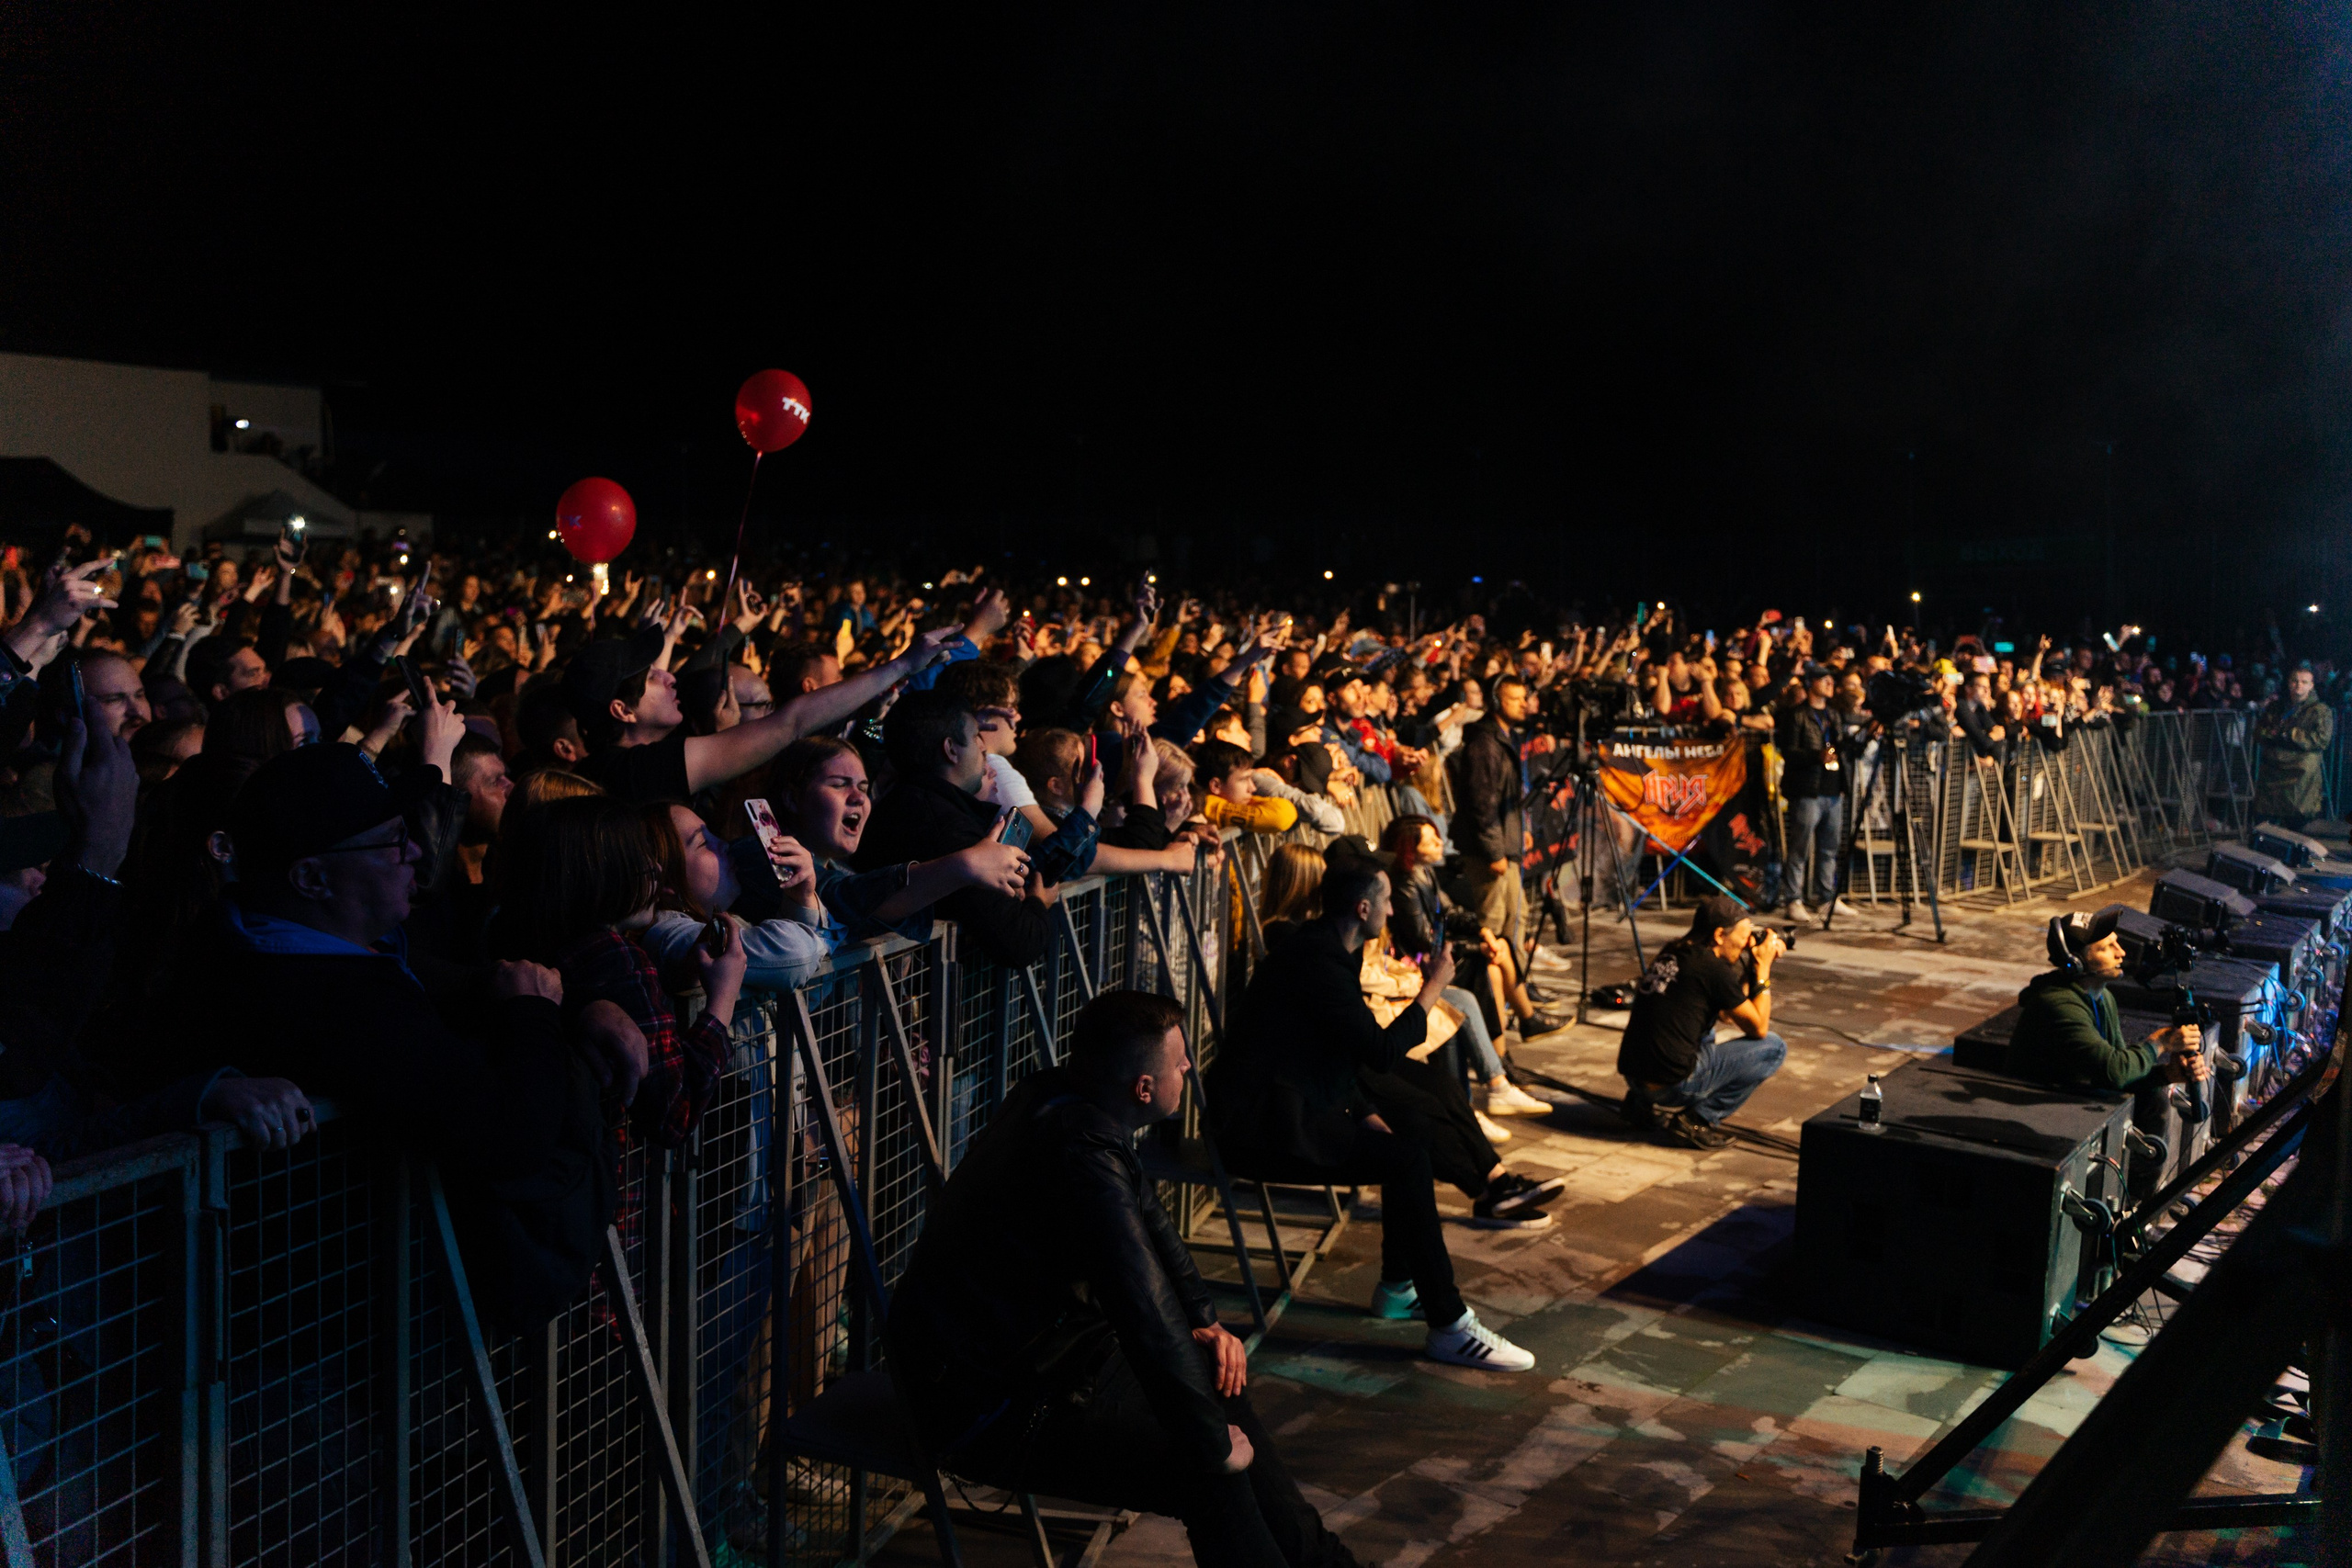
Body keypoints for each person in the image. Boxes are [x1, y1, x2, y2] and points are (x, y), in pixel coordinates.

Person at [890, 989, 1364, 1568]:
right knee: (1208, 1470)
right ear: (1144, 1088)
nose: (1189, 1066)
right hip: (986, 1403)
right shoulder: (1082, 1152)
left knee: (1221, 1391)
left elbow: (1154, 1228)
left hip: (1050, 1357)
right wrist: (1211, 1445)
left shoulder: (1067, 1101)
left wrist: (1208, 1323)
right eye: (1179, 1060)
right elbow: (1144, 1306)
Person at [1209, 854, 1541, 1371]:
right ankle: (1450, 1325)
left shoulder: (1326, 949)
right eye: (1386, 901)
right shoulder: (1317, 960)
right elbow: (1379, 1052)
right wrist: (1433, 987)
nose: (1390, 910)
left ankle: (1397, 1286)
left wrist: (1363, 1111)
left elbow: (1334, 1052)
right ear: (1364, 908)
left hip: (1292, 1103)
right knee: (1405, 1158)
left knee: (1410, 1130)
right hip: (1262, 1127)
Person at [561, 619, 961, 804]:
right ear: (622, 711)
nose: (669, 677)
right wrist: (901, 665)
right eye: (650, 678)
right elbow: (791, 723)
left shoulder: (630, 762)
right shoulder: (627, 770)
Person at [1614, 895, 1789, 1150]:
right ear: (1719, 935)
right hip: (1673, 1086)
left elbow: (1727, 1013)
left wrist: (1750, 967)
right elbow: (1758, 1027)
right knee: (1773, 1048)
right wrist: (1763, 969)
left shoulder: (1673, 951)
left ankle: (1639, 1105)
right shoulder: (1712, 970)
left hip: (1634, 1077)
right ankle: (1697, 1120)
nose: (1745, 945)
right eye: (1742, 938)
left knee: (1700, 1027)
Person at [2007, 910, 2209, 1091]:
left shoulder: (2103, 996)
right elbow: (2114, 1072)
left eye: (2117, 942)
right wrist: (2161, 1042)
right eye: (2106, 947)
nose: (2121, 953)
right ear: (2076, 963)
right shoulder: (2058, 1005)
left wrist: (2166, 1075)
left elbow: (2120, 1074)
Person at [1445, 674, 1532, 959]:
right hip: (1488, 853)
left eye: (1524, 698)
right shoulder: (1485, 744)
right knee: (1493, 924)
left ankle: (1514, 985)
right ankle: (1493, 993)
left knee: (1516, 918)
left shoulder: (1503, 737)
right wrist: (1494, 852)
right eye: (1514, 699)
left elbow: (1507, 798)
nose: (1523, 705)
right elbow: (1481, 805)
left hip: (1504, 845)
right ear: (1496, 702)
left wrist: (1520, 832)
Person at [1777, 663, 1858, 921]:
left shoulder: (1833, 715)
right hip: (1807, 790)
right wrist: (1816, 756)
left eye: (1831, 680)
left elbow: (1841, 747)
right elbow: (1788, 751)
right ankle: (1793, 899)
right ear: (1811, 682)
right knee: (1800, 847)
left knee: (1829, 848)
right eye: (1824, 679)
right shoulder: (1797, 715)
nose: (1830, 684)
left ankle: (1825, 897)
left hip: (1833, 790)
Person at [2252, 662, 2334, 829]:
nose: (2298, 686)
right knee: (2264, 822)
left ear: (2311, 686)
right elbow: (2260, 731)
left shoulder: (2320, 710)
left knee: (2295, 822)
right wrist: (2272, 734)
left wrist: (2290, 734)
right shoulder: (2277, 707)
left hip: (2299, 773)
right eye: (2295, 681)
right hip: (2273, 770)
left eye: (2304, 682)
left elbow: (2321, 739)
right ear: (2289, 683)